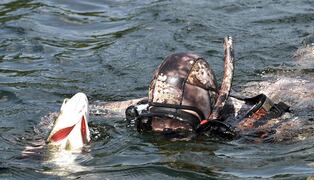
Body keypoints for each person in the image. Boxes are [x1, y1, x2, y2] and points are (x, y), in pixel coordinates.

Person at [47, 37, 290, 149]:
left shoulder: (243, 119)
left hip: (292, 88)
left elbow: (312, 131)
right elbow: (79, 109)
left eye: (177, 121)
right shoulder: (150, 105)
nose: (165, 129)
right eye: (159, 118)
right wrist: (41, 145)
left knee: (301, 66)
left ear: (204, 117)